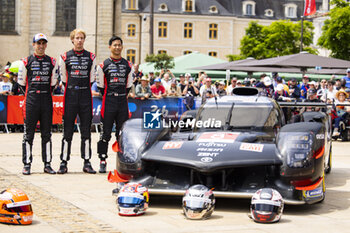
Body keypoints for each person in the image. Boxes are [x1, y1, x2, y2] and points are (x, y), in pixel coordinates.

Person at [17, 33, 58, 175]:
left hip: (46, 100)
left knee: (47, 134)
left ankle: (47, 164)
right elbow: (21, 84)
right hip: (31, 101)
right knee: (28, 134)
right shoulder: (26, 61)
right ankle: (27, 164)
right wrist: (33, 93)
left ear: (46, 45)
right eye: (38, 43)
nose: (41, 46)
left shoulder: (52, 61)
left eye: (43, 43)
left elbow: (53, 83)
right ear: (33, 44)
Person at [57, 29, 97, 174]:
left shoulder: (91, 57)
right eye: (77, 38)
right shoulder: (65, 56)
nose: (79, 40)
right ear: (72, 40)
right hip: (70, 96)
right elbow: (63, 78)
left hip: (86, 96)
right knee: (67, 131)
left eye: (82, 38)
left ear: (84, 40)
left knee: (86, 131)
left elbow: (92, 78)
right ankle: (63, 162)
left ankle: (87, 161)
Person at [96, 36, 133, 173]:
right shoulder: (103, 65)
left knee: (122, 133)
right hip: (109, 102)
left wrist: (121, 94)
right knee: (104, 134)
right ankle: (102, 159)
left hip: (122, 101)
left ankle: (122, 160)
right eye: (115, 45)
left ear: (122, 47)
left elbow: (128, 86)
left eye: (119, 45)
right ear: (110, 47)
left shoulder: (128, 65)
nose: (117, 47)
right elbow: (100, 86)